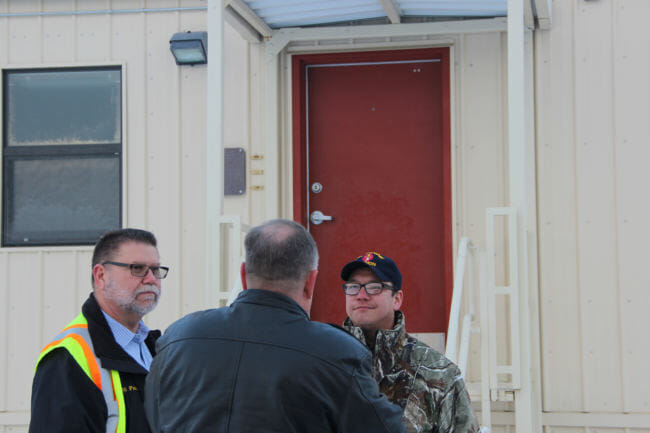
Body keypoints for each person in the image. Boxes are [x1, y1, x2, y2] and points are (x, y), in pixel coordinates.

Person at [145, 219, 405, 433]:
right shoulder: (337, 354)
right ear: (310, 281)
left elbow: (153, 416)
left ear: (244, 275)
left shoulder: (178, 338)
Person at [29, 228, 168, 433]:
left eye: (156, 270)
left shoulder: (155, 348)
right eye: (137, 268)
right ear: (101, 275)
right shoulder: (66, 359)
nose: (151, 279)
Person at [341, 251, 479, 433]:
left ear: (396, 299)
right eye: (353, 287)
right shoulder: (325, 362)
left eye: (374, 287)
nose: (361, 295)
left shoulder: (439, 373)